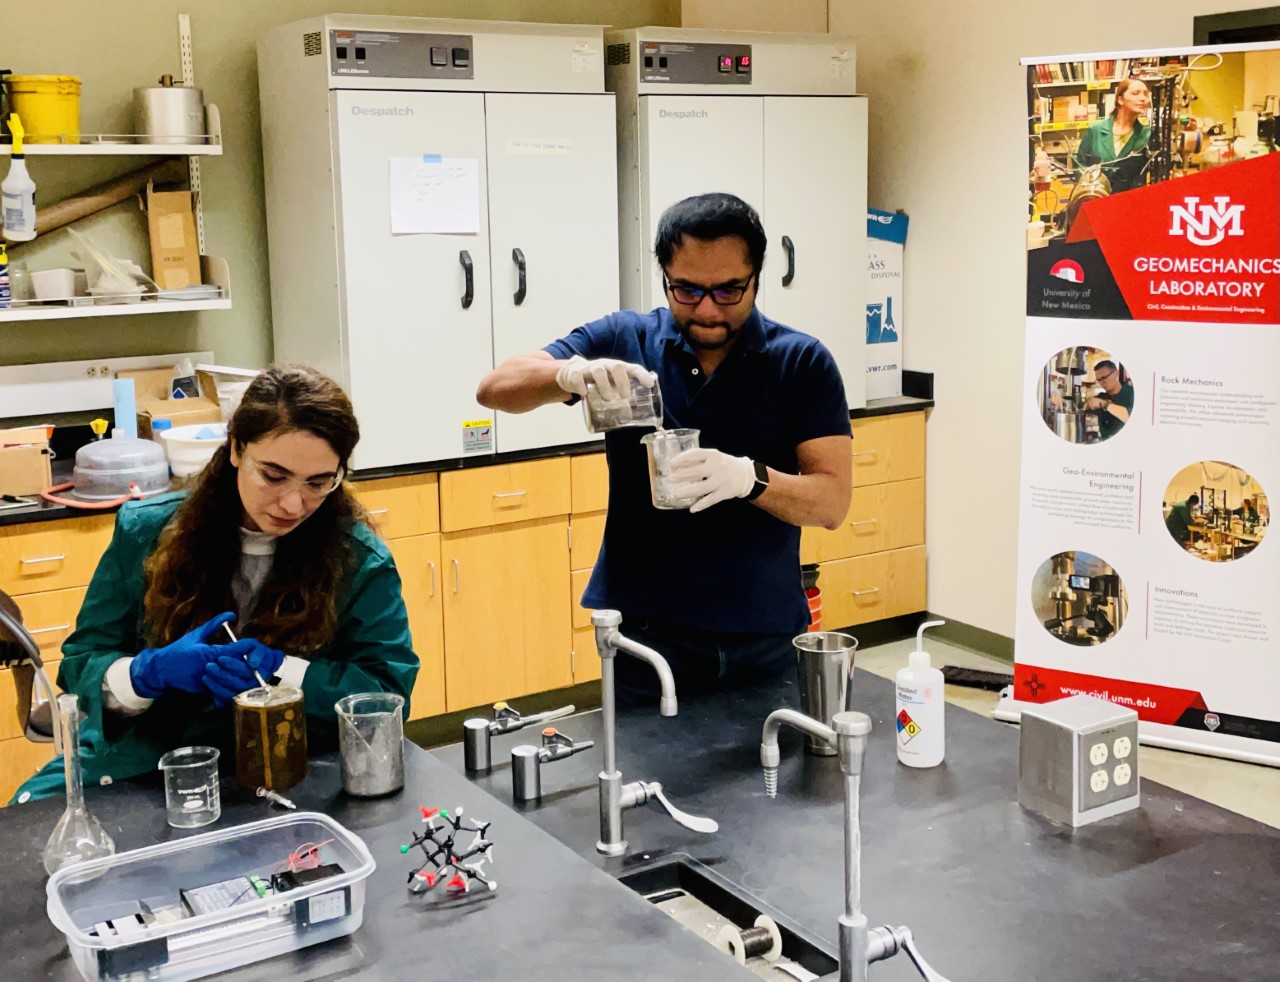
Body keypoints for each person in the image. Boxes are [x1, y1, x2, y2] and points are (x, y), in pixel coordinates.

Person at [476, 193, 852, 702]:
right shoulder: (628, 338)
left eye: (728, 291)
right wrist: (570, 374)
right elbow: (496, 387)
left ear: (757, 278)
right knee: (644, 777)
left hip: (762, 635)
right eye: (687, 290)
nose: (706, 310)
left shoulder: (801, 362)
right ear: (665, 277)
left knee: (770, 776)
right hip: (646, 636)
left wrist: (749, 479)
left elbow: (831, 502)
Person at [14, 366, 418, 802]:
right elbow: (82, 663)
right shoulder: (147, 532)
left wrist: (284, 673)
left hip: (291, 767)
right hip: (148, 764)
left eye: (319, 483)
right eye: (274, 476)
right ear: (236, 450)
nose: (293, 503)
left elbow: (385, 696)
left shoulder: (357, 560)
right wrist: (146, 673)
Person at [1076, 78, 1152, 191]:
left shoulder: (1147, 135)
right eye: (1135, 93)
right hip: (1097, 199)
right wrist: (1090, 186)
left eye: (1145, 94)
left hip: (1129, 201)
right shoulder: (1095, 130)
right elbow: (1079, 164)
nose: (1142, 98)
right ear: (1120, 99)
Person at [1084, 360, 1133, 441]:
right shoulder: (1101, 396)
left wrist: (1105, 404)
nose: (1101, 383)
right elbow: (1082, 409)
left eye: (1104, 378)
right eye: (1098, 380)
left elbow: (1129, 417)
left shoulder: (1131, 394)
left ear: (1116, 373)